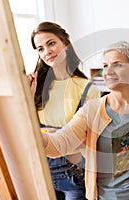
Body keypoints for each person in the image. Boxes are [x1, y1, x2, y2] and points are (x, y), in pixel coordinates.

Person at [41, 41, 129, 200]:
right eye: (105, 65)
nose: (108, 71)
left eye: (117, 64)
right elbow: (60, 144)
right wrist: (37, 136)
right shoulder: (91, 111)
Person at [28, 21, 100, 200]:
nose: (47, 52)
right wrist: (27, 97)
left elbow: (92, 138)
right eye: (40, 48)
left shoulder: (87, 88)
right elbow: (23, 130)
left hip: (73, 173)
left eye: (51, 43)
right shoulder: (35, 86)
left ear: (65, 44)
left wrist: (57, 137)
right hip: (41, 169)